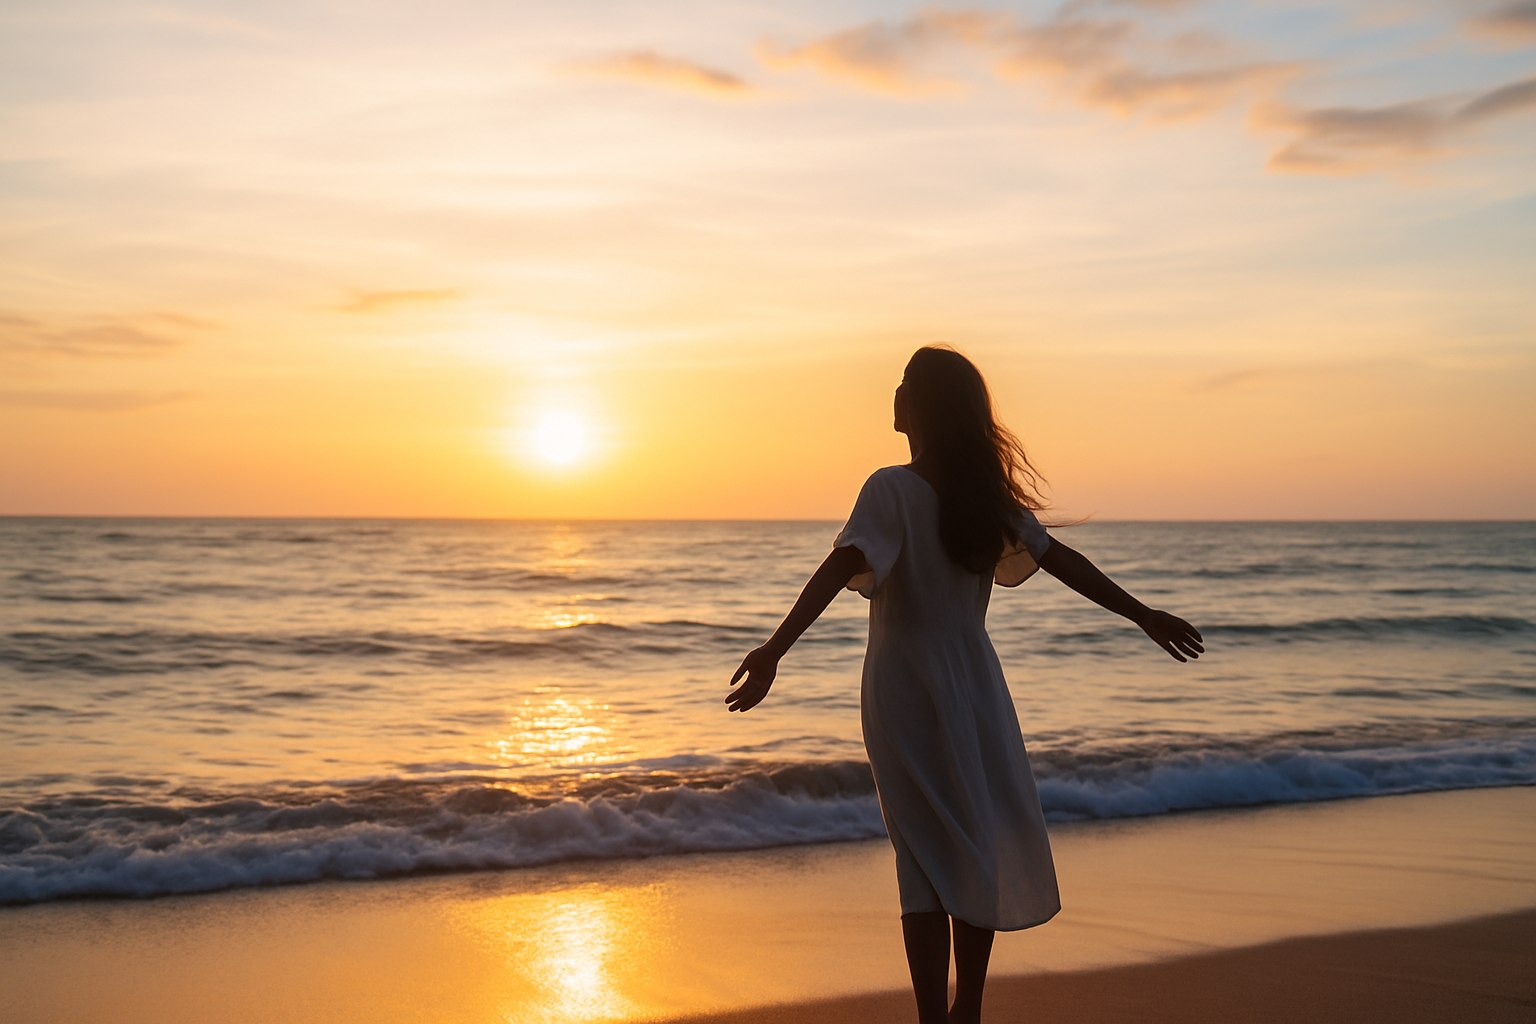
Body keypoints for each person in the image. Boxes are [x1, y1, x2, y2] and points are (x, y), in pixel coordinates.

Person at [727, 345, 1203, 1024]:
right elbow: (1060, 560)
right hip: (974, 683)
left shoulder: (890, 488)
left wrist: (775, 649)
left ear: (924, 405)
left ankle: (935, 1016)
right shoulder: (981, 499)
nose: (893, 391)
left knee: (919, 850)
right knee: (969, 836)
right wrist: (1142, 615)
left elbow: (841, 567)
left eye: (905, 384)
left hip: (902, 687)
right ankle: (967, 1010)